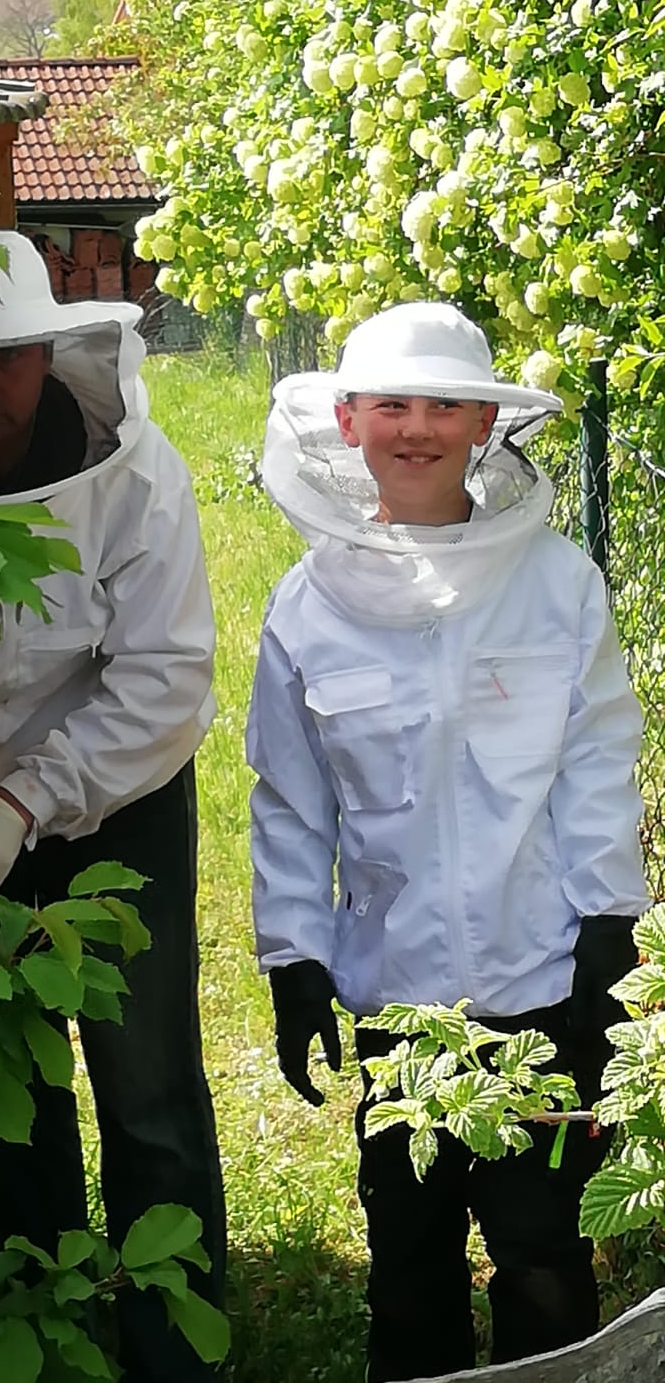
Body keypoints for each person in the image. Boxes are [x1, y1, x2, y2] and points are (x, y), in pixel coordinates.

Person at [246, 301, 648, 1382]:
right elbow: (291, 802)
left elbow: (595, 761)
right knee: (408, 1253)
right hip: (400, 1001)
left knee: (543, 1249)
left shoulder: (556, 583)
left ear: (484, 424)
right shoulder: (306, 608)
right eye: (391, 405)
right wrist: (293, 957)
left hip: (541, 983)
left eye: (443, 406)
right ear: (347, 421)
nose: (416, 427)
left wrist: (609, 924)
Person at [0, 231, 226, 1383]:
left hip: (112, 811)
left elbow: (165, 675)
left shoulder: (135, 476)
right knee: (3, 1088)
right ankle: (50, 1345)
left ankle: (171, 1355)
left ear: (47, 354)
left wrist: (23, 799)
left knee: (146, 1087)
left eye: (9, 357)